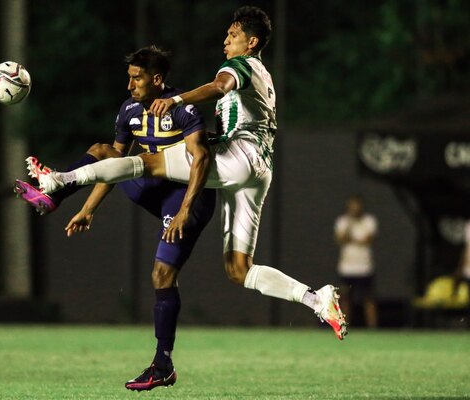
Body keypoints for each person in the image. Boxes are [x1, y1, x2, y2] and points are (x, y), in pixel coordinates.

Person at [25, 3, 347, 383]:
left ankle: (59, 181)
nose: (226, 39)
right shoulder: (263, 73)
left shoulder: (240, 67)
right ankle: (316, 299)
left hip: (238, 156)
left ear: (252, 41)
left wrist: (178, 100)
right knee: (238, 269)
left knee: (148, 162)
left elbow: (219, 86)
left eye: (233, 35)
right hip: (259, 170)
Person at [14, 46, 216, 391]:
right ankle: (54, 195)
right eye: (129, 78)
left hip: (186, 199)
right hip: (151, 187)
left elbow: (201, 159)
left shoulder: (183, 108)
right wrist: (89, 208)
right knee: (102, 150)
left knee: (162, 274)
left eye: (136, 78)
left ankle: (162, 363)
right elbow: (113, 168)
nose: (130, 85)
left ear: (157, 79)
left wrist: (184, 210)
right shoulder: (130, 111)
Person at [334, 195, 378, 328]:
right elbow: (340, 239)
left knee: (368, 298)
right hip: (347, 267)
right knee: (346, 298)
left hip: (365, 267)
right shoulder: (343, 221)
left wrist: (351, 239)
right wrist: (350, 225)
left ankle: (372, 327)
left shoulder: (369, 221)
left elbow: (368, 240)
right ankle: (344, 325)